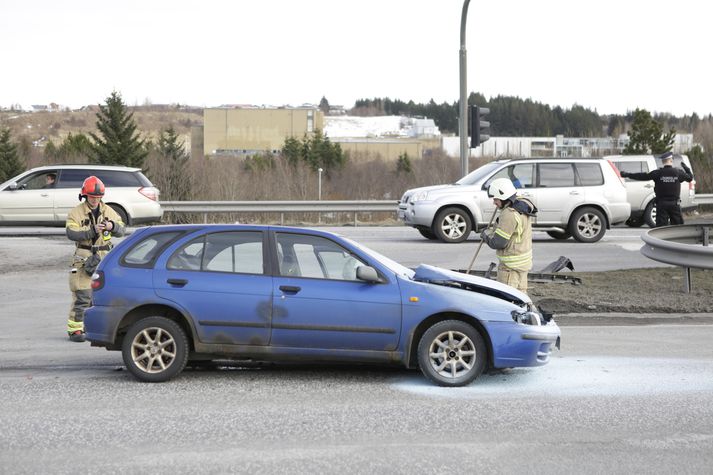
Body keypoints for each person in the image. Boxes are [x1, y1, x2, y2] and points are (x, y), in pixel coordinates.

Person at [65, 176, 125, 342]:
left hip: (104, 257)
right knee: (83, 295)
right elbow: (72, 233)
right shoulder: (75, 213)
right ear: (85, 196)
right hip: (84, 257)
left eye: (98, 197)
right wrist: (92, 231)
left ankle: (96, 328)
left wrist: (112, 226)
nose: (95, 200)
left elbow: (121, 229)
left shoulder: (109, 211)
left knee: (102, 295)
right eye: (92, 197)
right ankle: (75, 329)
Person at [480, 178, 538, 293]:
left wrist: (485, 235)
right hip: (522, 265)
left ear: (504, 196)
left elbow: (498, 243)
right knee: (521, 300)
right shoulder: (521, 205)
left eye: (495, 199)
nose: (494, 202)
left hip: (509, 269)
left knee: (507, 302)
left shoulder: (509, 214)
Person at [620, 151, 693, 226]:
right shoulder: (678, 173)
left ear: (662, 161)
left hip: (661, 205)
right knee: (678, 227)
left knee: (660, 229)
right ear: (671, 160)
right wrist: (686, 168)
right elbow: (690, 178)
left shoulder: (657, 173)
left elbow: (642, 176)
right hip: (675, 205)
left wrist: (627, 174)